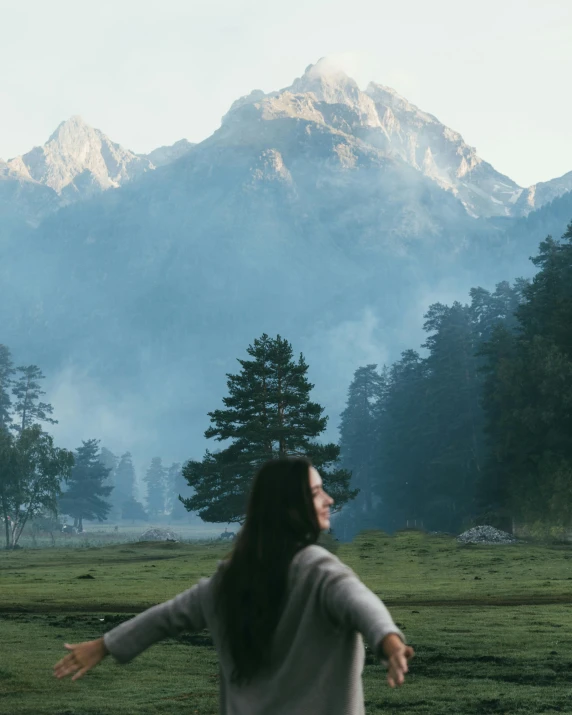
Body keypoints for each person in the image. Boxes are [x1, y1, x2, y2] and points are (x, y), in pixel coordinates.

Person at [53, 457, 415, 714]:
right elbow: (361, 602)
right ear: (291, 506)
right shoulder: (320, 570)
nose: (329, 499)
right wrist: (390, 641)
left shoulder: (230, 578)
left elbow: (166, 618)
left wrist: (104, 645)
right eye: (317, 492)